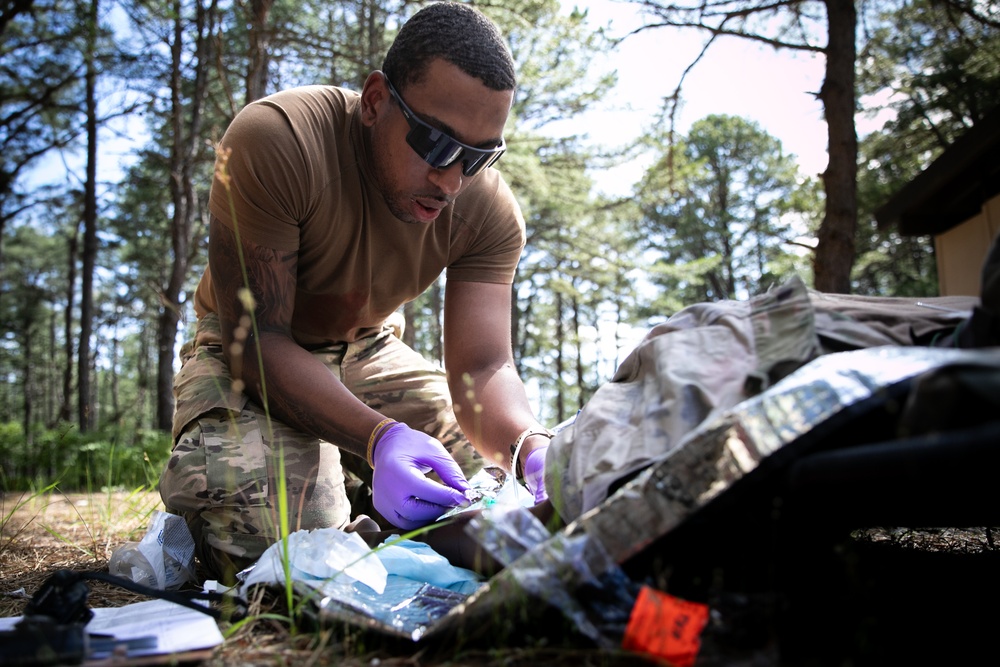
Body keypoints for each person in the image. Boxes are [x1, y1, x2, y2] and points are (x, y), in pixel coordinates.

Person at [158, 1, 553, 582]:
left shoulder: (486, 209)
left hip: (369, 352)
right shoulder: (278, 142)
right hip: (247, 348)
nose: (451, 181)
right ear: (374, 102)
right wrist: (378, 438)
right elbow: (257, 339)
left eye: (478, 157)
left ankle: (358, 490)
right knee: (282, 550)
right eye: (436, 145)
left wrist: (528, 446)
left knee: (494, 499)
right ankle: (338, 484)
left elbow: (485, 366)